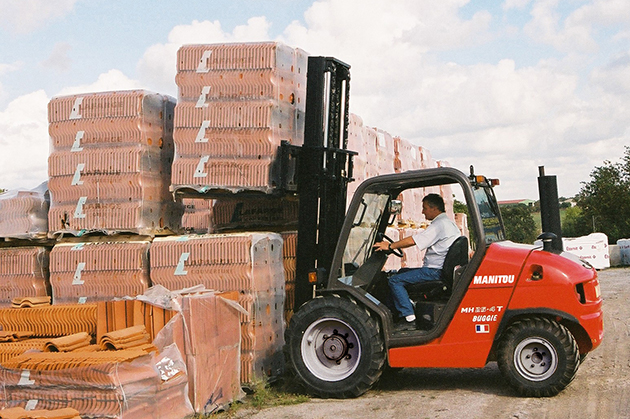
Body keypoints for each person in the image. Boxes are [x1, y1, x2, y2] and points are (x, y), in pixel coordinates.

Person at [373, 193, 460, 331]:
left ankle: (408, 317)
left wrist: (389, 246)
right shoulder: (448, 223)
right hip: (437, 269)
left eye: (425, 208)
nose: (422, 211)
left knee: (395, 281)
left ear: (434, 208)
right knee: (401, 272)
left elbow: (414, 241)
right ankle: (394, 312)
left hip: (434, 271)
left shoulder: (439, 225)